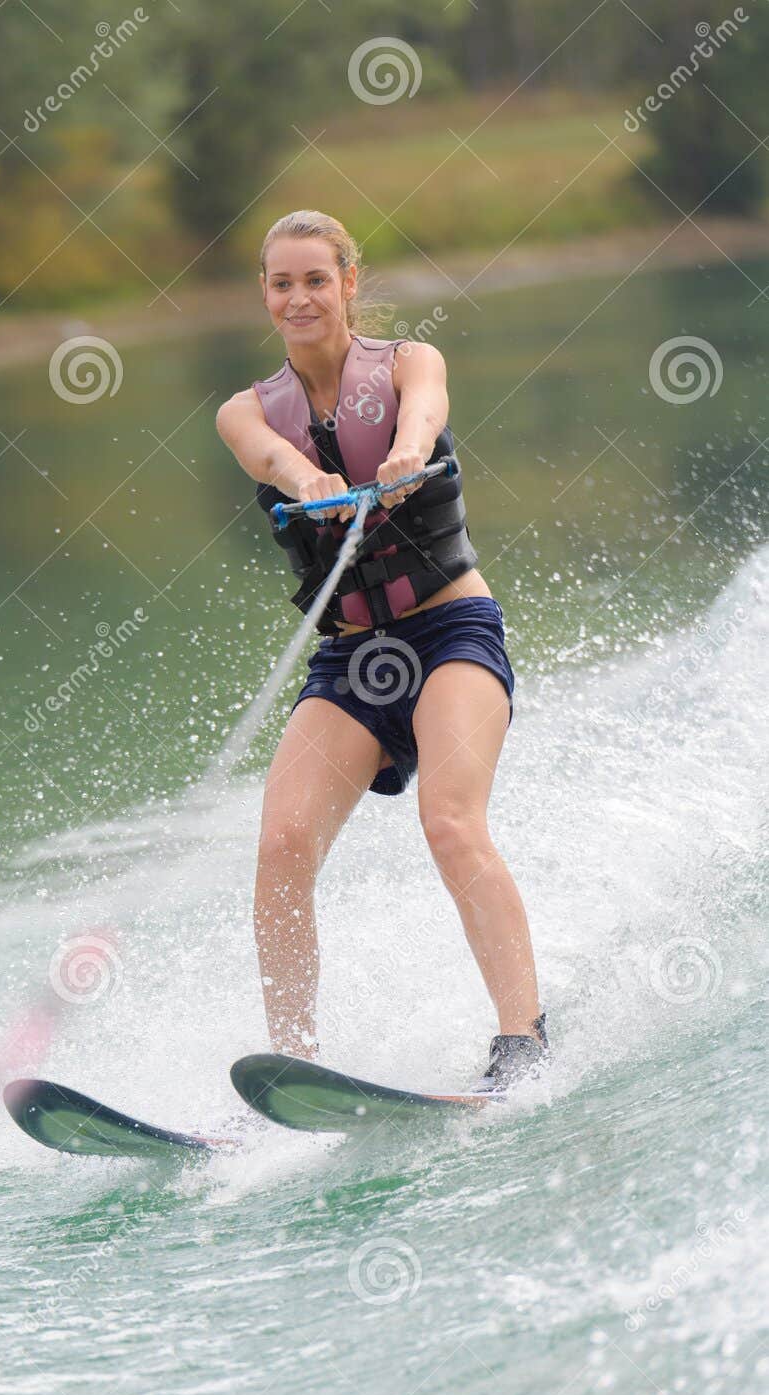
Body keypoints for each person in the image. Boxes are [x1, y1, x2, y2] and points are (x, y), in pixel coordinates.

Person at [216, 209, 548, 1095]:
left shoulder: (408, 364)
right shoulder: (245, 411)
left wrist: (402, 451)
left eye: (315, 280)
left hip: (450, 634)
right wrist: (307, 480)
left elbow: (427, 407)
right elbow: (266, 457)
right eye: (281, 283)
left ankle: (522, 1039)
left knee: (448, 820)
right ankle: (296, 1064)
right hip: (351, 661)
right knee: (282, 842)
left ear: (348, 284)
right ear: (264, 293)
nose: (299, 298)